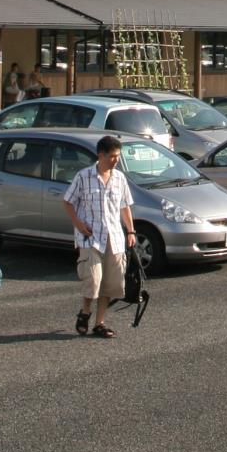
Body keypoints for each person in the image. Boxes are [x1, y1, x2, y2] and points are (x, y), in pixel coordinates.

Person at [64, 134, 137, 339]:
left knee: (109, 283)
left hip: (114, 237)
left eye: (118, 156)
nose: (116, 160)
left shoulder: (120, 178)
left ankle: (100, 323)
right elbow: (67, 201)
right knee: (93, 280)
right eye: (112, 156)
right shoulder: (84, 176)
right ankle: (85, 311)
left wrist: (130, 231)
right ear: (101, 154)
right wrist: (78, 224)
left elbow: (125, 206)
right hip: (90, 238)